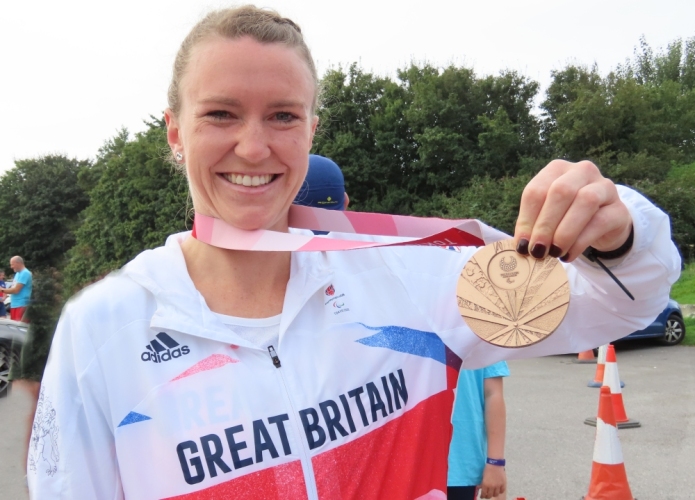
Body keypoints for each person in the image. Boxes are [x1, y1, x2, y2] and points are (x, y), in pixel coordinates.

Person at [29, 6, 680, 499]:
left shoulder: (407, 278)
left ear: (312, 128)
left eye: (282, 116)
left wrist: (619, 230)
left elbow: (623, 303)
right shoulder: (103, 326)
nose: (253, 148)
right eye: (221, 114)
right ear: (175, 132)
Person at [448, 362, 509, 500]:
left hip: (461, 463)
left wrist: (496, 463)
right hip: (406, 462)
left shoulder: (485, 340)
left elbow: (493, 394)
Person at [4, 256, 32, 322]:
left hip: (21, 305)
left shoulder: (25, 273)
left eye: (12, 264)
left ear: (18, 263)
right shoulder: (17, 274)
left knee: (19, 329)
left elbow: (16, 290)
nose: (11, 267)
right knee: (13, 328)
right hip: (14, 304)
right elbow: (13, 287)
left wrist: (2, 290)